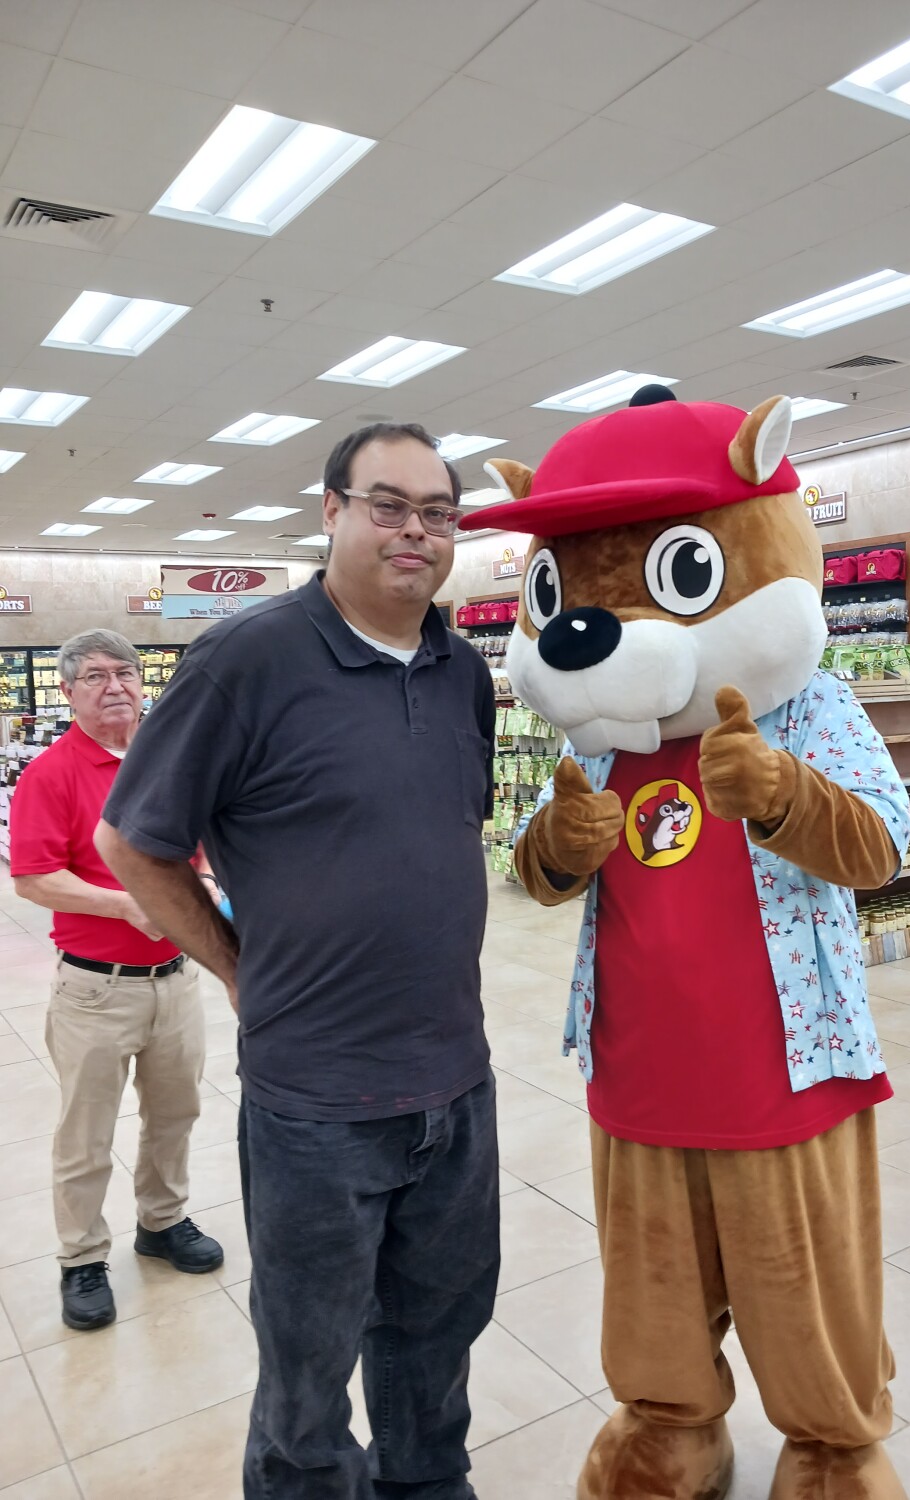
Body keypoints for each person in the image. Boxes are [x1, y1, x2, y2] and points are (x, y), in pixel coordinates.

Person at [95, 422, 500, 1500]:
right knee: (309, 1366)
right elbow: (131, 842)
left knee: (439, 1334)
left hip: (457, 1082)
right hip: (316, 1102)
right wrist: (234, 964)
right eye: (387, 505)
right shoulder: (246, 659)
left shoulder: (463, 672)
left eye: (438, 513)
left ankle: (427, 1483)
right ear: (331, 511)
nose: (415, 531)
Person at [9, 629, 223, 1333]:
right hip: (95, 991)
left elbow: (197, 850)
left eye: (125, 672)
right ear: (67, 691)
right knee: (86, 1133)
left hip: (175, 980)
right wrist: (128, 904)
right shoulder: (50, 774)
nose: (115, 686)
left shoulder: (168, 762)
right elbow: (35, 877)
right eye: (95, 676)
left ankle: (162, 1222)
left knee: (175, 1113)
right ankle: (81, 1257)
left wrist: (204, 887)